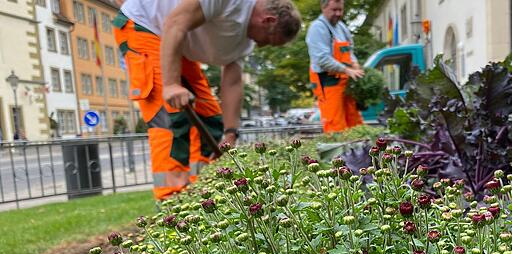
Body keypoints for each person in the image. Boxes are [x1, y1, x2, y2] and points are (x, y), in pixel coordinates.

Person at [113, 0, 301, 200]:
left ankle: (202, 193)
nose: (262, 45)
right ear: (268, 20)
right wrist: (170, 85)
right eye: (269, 40)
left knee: (209, 118)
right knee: (172, 116)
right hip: (145, 25)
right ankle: (170, 201)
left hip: (177, 41)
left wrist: (230, 134)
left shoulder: (244, 42)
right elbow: (175, 23)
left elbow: (232, 83)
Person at [306, 0, 364, 134]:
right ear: (323, 7)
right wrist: (347, 70)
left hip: (345, 82)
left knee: (354, 122)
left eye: (340, 10)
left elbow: (349, 50)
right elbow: (322, 59)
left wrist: (355, 64)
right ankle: (339, 155)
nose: (338, 13)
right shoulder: (318, 28)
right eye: (334, 10)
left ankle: (359, 152)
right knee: (335, 126)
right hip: (328, 83)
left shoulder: (341, 27)